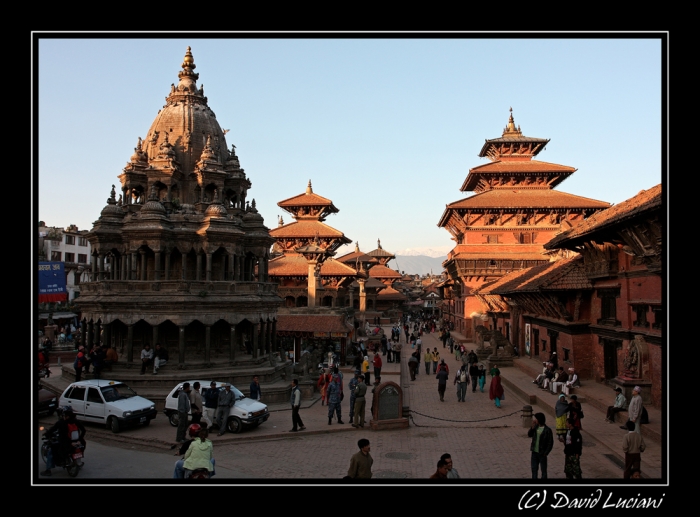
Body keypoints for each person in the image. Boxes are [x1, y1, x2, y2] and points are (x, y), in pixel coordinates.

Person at [40, 406, 87, 476]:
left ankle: (48, 470)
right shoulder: (76, 421)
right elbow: (83, 430)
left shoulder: (61, 422)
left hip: (66, 444)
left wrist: (47, 434)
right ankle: (78, 463)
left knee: (51, 451)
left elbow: (53, 429)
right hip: (77, 442)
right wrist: (80, 439)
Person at [528, 412, 554, 479]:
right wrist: (532, 427)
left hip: (542, 453)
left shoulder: (547, 430)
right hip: (534, 452)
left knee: (543, 471)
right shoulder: (536, 427)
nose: (535, 420)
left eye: (536, 419)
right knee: (534, 470)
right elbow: (529, 435)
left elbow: (550, 443)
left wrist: (546, 453)